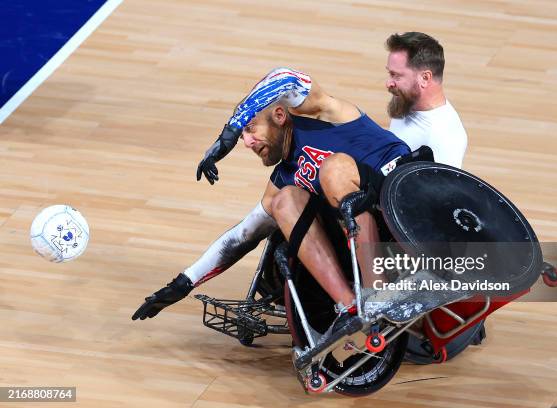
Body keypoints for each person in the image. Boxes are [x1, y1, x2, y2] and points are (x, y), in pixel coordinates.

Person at [132, 67, 410, 325]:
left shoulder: (322, 113)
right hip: (366, 228)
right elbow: (242, 236)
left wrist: (230, 128)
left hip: (403, 196)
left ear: (279, 116)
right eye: (241, 136)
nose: (247, 142)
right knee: (284, 202)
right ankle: (350, 308)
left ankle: (380, 296)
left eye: (250, 129)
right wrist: (183, 283)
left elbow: (285, 76)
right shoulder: (284, 178)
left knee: (334, 169)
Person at [385, 32, 468, 169]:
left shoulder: (443, 138)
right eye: (390, 73)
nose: (389, 83)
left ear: (425, 78)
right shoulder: (407, 102)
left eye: (397, 76)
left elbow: (439, 189)